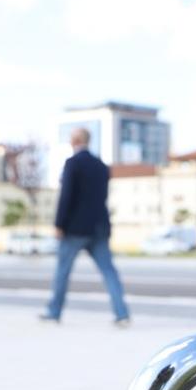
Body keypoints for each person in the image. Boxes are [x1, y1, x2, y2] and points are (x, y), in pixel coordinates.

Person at [40, 127, 130, 327]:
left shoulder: (73, 163)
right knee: (109, 272)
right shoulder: (101, 166)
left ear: (77, 140)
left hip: (74, 229)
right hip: (99, 228)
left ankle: (54, 312)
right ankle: (122, 314)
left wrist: (59, 224)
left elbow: (66, 197)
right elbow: (103, 197)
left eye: (72, 138)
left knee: (62, 272)